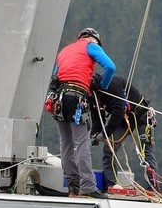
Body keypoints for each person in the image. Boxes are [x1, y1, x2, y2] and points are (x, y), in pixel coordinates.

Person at [48, 27, 115, 199]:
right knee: (82, 142)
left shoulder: (64, 51)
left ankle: (72, 186)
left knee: (66, 143)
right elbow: (110, 67)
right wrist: (102, 87)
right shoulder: (91, 46)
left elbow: (56, 76)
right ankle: (88, 186)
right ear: (93, 39)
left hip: (58, 99)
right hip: (76, 98)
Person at [88, 73, 161, 192]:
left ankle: (153, 187)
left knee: (145, 150)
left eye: (90, 92)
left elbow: (118, 112)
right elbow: (97, 117)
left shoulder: (112, 84)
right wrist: (95, 134)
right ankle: (111, 184)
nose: (89, 95)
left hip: (141, 114)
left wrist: (104, 134)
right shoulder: (92, 96)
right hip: (124, 119)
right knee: (109, 147)